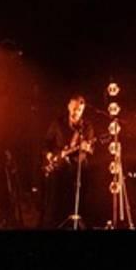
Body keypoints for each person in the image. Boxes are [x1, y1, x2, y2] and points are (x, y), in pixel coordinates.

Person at [42, 94, 95, 228]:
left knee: (79, 200)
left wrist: (87, 148)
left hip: (78, 169)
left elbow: (91, 149)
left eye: (80, 109)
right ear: (68, 106)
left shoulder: (87, 127)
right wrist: (49, 155)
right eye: (74, 108)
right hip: (59, 169)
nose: (77, 112)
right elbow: (46, 143)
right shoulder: (57, 123)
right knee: (54, 202)